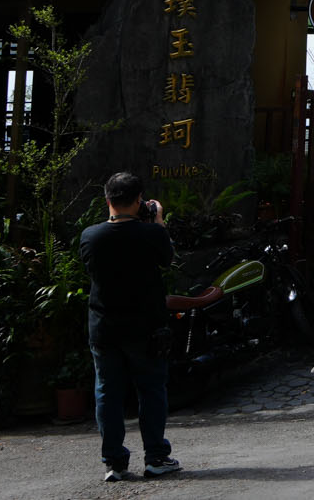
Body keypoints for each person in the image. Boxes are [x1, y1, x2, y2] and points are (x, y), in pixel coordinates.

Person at [79, 172, 215, 484]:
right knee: (151, 390)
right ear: (139, 200)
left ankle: (114, 462)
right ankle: (156, 457)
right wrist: (158, 220)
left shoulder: (90, 236)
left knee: (107, 393)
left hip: (104, 327)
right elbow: (167, 259)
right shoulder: (150, 234)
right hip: (145, 327)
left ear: (107, 200)